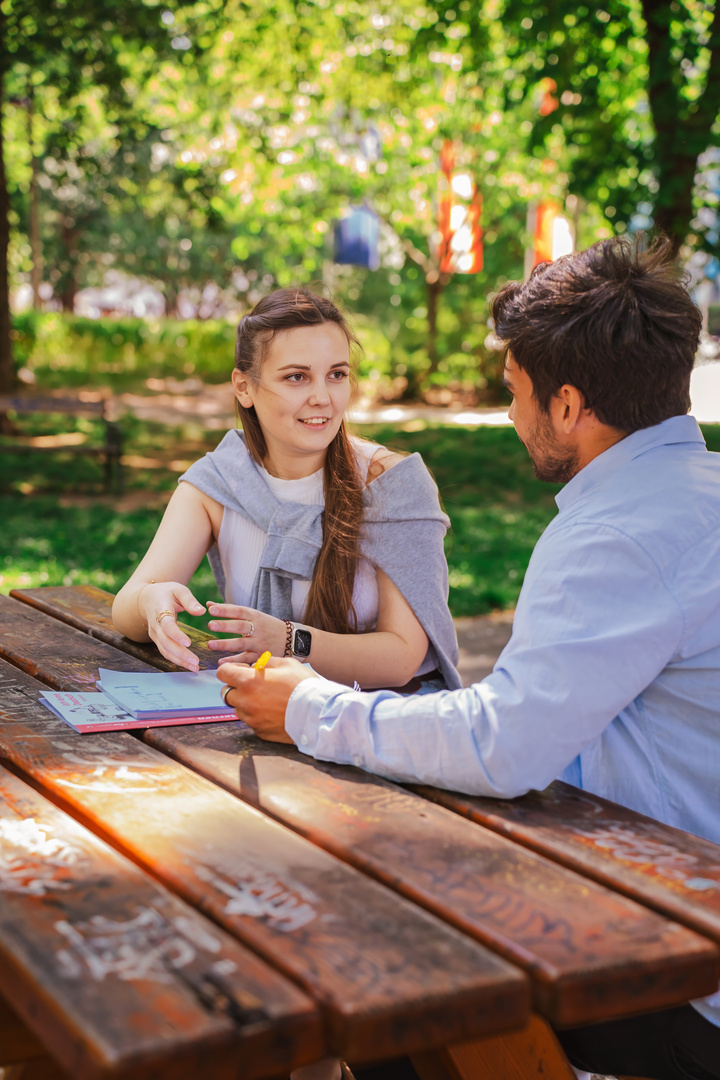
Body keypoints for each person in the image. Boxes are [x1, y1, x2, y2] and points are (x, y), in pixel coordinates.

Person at [218, 238, 720, 1080]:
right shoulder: (694, 498)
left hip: (687, 978)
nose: (514, 417)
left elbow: (505, 745)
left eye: (516, 394)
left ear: (567, 406)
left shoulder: (615, 536)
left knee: (382, 978)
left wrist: (307, 705)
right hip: (660, 896)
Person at [112, 287, 460, 696]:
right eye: (297, 377)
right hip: (267, 716)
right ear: (244, 387)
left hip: (384, 717)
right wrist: (150, 603)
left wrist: (288, 641)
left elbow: (401, 660)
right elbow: (126, 607)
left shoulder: (392, 485)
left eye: (337, 374)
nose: (322, 398)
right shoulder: (220, 482)